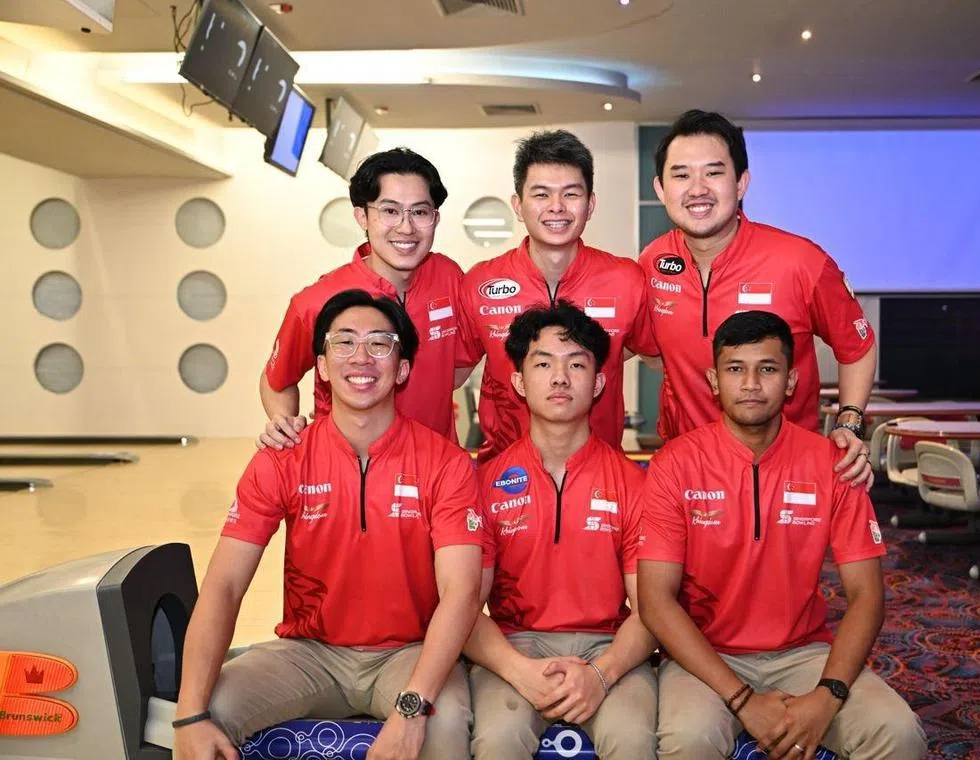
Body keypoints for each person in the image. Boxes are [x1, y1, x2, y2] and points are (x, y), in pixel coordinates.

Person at [173, 290, 484, 760]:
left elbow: (461, 592)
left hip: (409, 654)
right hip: (309, 654)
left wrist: (411, 709)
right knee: (207, 713)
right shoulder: (283, 458)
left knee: (443, 724)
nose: (361, 357)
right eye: (344, 342)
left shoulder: (446, 463)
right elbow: (225, 586)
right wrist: (190, 714)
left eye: (379, 344)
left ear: (402, 369)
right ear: (320, 365)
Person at [636, 311, 926, 760]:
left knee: (899, 733)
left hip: (805, 654)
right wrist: (743, 700)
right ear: (714, 380)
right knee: (689, 739)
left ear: (791, 381)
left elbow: (867, 595)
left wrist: (828, 695)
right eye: (736, 369)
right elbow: (656, 600)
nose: (751, 384)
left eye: (767, 369)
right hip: (705, 657)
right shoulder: (674, 464)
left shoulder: (832, 464)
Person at [463, 302, 658, 760]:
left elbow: (654, 609)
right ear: (518, 382)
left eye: (576, 365)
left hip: (611, 647)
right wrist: (519, 670)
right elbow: (462, 605)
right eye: (543, 364)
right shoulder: (482, 483)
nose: (559, 378)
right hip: (514, 646)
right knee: (497, 740)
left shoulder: (634, 483)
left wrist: (602, 674)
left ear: (599, 383)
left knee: (632, 739)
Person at [639, 109, 875, 487]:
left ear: (741, 183)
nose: (697, 189)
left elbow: (857, 346)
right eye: (681, 175)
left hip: (788, 474)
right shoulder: (653, 262)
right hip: (689, 473)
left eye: (713, 173)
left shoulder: (800, 261)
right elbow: (647, 348)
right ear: (660, 189)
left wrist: (849, 421)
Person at [457, 129, 659, 462]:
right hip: (505, 471)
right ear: (518, 205)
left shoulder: (627, 279)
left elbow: (658, 356)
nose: (556, 207)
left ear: (590, 204)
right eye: (541, 194)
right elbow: (449, 373)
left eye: (571, 194)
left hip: (599, 471)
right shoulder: (480, 282)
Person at [260, 148, 465, 447]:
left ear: (435, 218)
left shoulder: (449, 277)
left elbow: (460, 361)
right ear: (362, 217)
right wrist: (284, 425)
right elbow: (277, 381)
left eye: (419, 212)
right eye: (390, 211)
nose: (406, 227)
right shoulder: (317, 301)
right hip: (346, 465)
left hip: (435, 465)